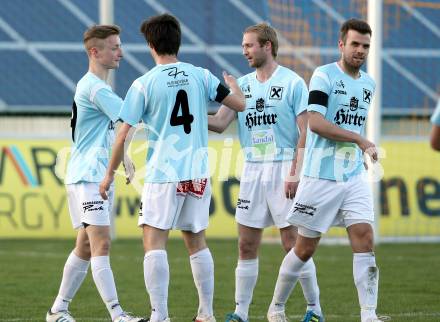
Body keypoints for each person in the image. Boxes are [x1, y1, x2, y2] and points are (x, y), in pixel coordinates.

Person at [99, 13, 245, 322]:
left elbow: (123, 132)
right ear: (178, 41)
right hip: (197, 171)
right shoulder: (200, 75)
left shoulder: (144, 83)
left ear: (151, 44)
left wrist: (110, 172)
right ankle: (206, 314)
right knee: (196, 240)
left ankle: (160, 316)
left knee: (154, 241)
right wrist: (235, 89)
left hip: (164, 173)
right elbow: (237, 107)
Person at [267, 18, 383, 322]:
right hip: (321, 175)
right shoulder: (323, 76)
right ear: (341, 45)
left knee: (364, 236)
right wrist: (359, 139)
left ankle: (369, 315)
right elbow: (315, 123)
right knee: (304, 249)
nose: (360, 51)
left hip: (353, 175)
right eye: (355, 44)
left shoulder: (369, 84)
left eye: (366, 46)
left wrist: (358, 145)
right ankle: (276, 307)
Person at [208, 23, 323, 322]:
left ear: (267, 46)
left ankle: (314, 309)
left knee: (292, 244)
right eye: (244, 45)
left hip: (284, 166)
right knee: (246, 244)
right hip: (252, 169)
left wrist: (295, 172)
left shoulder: (293, 82)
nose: (244, 50)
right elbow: (220, 123)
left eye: (249, 45)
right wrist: (188, 117)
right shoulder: (242, 85)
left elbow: (305, 131)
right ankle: (241, 313)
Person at [46, 25, 146, 322]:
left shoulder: (92, 86)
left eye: (119, 45)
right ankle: (117, 314)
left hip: (88, 172)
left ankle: (58, 310)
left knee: (87, 244)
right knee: (101, 242)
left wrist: (123, 154)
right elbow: (131, 116)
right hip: (89, 176)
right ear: (95, 52)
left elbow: (116, 129)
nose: (121, 52)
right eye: (114, 47)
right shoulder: (96, 88)